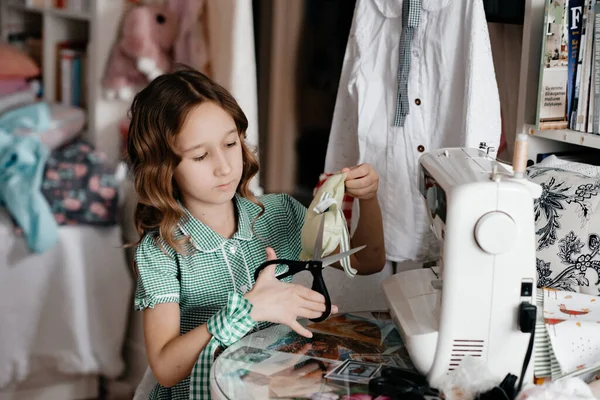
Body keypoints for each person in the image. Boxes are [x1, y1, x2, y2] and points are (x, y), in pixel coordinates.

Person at [127, 66, 386, 399]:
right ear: (164, 166)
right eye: (201, 155)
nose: (224, 166)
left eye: (230, 143)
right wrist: (249, 309)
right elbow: (165, 368)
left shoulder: (278, 213)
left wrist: (369, 199)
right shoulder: (161, 251)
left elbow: (369, 262)